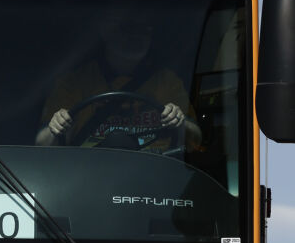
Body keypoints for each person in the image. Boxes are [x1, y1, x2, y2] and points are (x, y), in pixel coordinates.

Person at [34, 14, 202, 153]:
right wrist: (56, 127)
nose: (137, 36)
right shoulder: (74, 83)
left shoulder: (167, 82)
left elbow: (196, 139)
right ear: (105, 31)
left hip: (155, 175)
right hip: (88, 174)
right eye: (128, 27)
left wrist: (179, 123)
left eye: (145, 30)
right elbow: (42, 145)